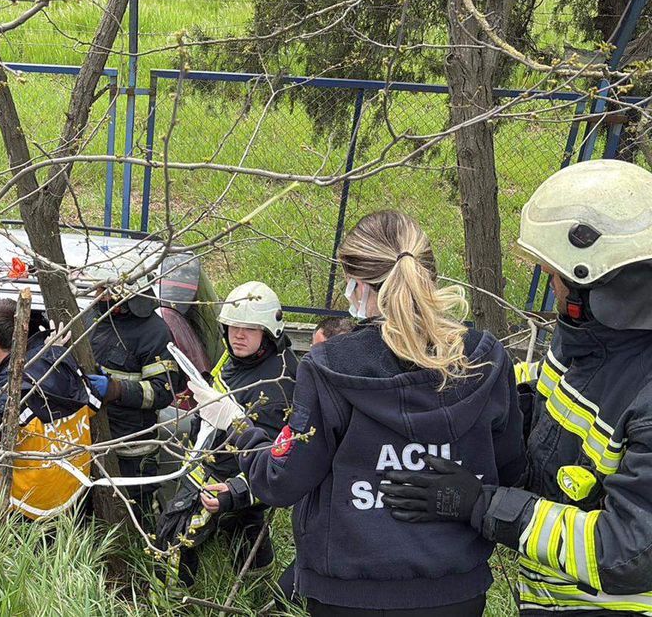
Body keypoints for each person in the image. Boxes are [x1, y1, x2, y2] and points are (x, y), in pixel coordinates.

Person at [194, 210, 524, 616]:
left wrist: (238, 426)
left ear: (360, 286)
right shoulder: (484, 358)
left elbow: (282, 481)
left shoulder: (329, 366)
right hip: (455, 591)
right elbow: (510, 470)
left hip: (347, 594)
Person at [383, 160, 652, 614]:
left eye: (556, 276)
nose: (552, 289)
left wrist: (482, 506)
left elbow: (627, 552)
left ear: (599, 281)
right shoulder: (590, 340)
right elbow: (545, 401)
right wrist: (466, 377)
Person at [155, 281, 298, 586]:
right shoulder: (237, 358)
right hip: (211, 465)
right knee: (247, 534)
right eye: (232, 327)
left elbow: (274, 461)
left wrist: (235, 492)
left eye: (248, 328)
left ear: (269, 331)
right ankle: (258, 588)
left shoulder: (276, 386)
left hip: (226, 480)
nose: (238, 335)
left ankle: (169, 603)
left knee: (176, 538)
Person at [0, 298, 101, 520]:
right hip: (69, 495)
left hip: (24, 510)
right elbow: (92, 406)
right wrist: (53, 355)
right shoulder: (61, 364)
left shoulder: (5, 396)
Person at [86, 268, 182, 527]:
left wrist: (116, 389)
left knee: (137, 513)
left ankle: (146, 563)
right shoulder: (93, 320)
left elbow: (163, 391)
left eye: (104, 290)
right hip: (92, 439)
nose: (97, 295)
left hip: (133, 449)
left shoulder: (154, 332)